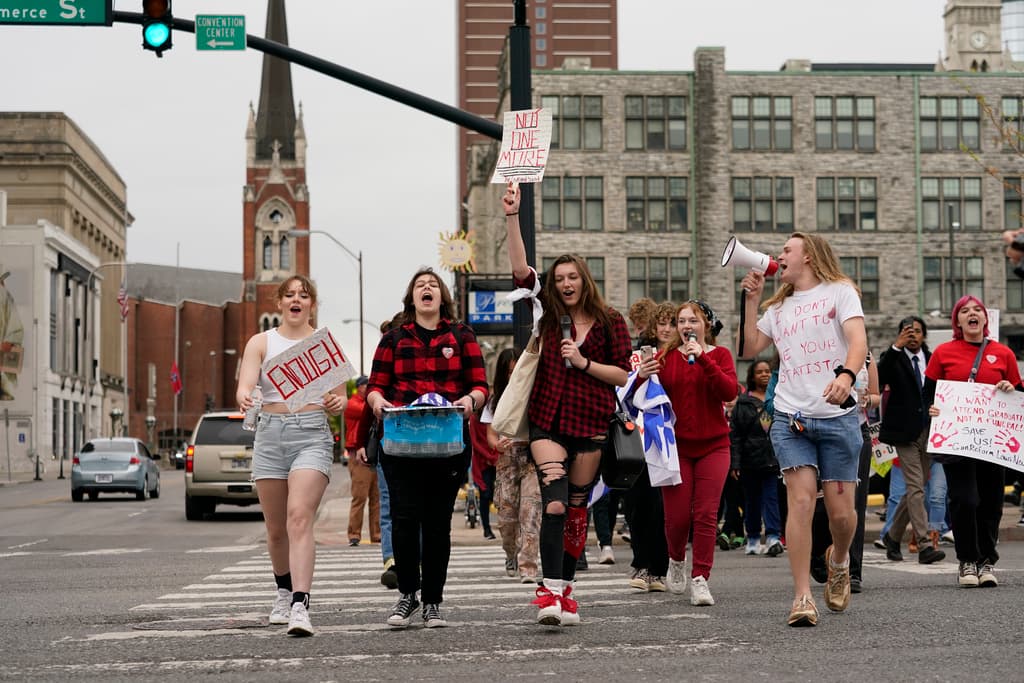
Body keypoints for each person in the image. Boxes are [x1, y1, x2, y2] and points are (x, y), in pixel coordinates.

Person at [503, 182, 632, 626]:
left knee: (578, 510)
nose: (565, 284)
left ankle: (567, 591)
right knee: (554, 503)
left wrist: (583, 361)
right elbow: (521, 268)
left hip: (592, 425)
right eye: (559, 279)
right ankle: (549, 594)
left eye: (572, 277)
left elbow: (622, 374)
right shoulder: (548, 313)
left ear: (585, 280)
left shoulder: (611, 321)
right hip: (548, 422)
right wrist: (511, 215)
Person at [739, 232, 867, 627]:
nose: (778, 257)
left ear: (808, 256)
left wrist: (847, 375)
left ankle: (839, 560)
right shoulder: (779, 308)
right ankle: (802, 596)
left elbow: (858, 340)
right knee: (801, 502)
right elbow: (749, 348)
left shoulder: (840, 291)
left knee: (842, 515)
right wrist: (752, 301)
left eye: (786, 251)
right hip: (791, 418)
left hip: (838, 417)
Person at [363, 268, 488, 629]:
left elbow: (480, 385)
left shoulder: (462, 335)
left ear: (442, 296)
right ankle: (407, 595)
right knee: (403, 520)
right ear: (412, 297)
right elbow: (375, 385)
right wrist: (376, 402)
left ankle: (433, 600)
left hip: (447, 442)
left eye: (432, 284)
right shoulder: (394, 338)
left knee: (437, 524)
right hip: (401, 443)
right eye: (420, 285)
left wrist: (471, 400)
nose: (427, 288)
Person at [234, 275, 348, 637]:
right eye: (290, 294)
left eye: (304, 295)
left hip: (311, 434)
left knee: (299, 517)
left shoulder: (324, 344)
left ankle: (301, 604)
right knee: (276, 528)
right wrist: (244, 395)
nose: (297, 299)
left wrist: (336, 401)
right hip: (270, 435)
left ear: (312, 304)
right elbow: (245, 384)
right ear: (279, 302)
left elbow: (340, 397)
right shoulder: (261, 342)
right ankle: (282, 591)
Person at [637, 300, 738, 606]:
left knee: (706, 515)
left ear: (705, 324)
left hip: (715, 446)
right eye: (681, 322)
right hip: (676, 448)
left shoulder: (719, 355)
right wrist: (642, 375)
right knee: (678, 518)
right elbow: (643, 399)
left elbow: (729, 392)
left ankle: (701, 578)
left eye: (692, 321)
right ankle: (676, 559)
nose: (685, 327)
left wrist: (703, 360)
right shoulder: (665, 356)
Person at [924, 295, 1021, 588]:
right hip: (958, 441)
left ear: (984, 319)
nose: (971, 314)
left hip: (994, 441)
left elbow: (1018, 392)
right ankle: (967, 560)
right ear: (957, 321)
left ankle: (986, 561)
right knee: (965, 500)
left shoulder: (1003, 353)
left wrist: (1008, 387)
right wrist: (933, 408)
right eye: (964, 311)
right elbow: (928, 393)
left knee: (991, 503)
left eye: (976, 310)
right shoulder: (943, 352)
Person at [876, 316, 945, 565]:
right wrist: (896, 347)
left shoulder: (934, 358)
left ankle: (893, 538)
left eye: (917, 331)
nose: (913, 334)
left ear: (924, 335)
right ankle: (924, 544)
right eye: (908, 331)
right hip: (903, 432)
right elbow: (880, 378)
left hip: (929, 430)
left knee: (916, 489)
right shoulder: (893, 357)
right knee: (915, 486)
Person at [624, 301, 674, 592]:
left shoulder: (683, 355)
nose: (666, 329)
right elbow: (625, 390)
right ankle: (642, 564)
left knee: (664, 507)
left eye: (671, 323)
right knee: (638, 503)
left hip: (671, 438)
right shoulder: (639, 355)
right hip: (640, 437)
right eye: (662, 324)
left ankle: (661, 567)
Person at [484, 347, 542, 584]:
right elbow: (490, 432)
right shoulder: (496, 399)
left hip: (532, 456)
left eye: (517, 370)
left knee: (531, 512)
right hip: (507, 459)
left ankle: (528, 565)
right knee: (507, 518)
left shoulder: (536, 394)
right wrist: (497, 445)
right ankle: (511, 553)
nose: (513, 376)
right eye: (509, 371)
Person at [730, 359, 783, 557]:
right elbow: (735, 435)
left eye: (768, 371)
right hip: (749, 461)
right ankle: (752, 538)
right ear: (752, 376)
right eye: (760, 372)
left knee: (771, 499)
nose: (765, 375)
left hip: (771, 459)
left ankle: (772, 537)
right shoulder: (743, 403)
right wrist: (735, 463)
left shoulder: (778, 398)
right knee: (751, 501)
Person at [344, 376, 380, 547]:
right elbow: (368, 411)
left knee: (376, 497)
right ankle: (354, 534)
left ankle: (377, 534)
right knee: (360, 496)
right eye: (364, 385)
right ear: (358, 388)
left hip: (374, 452)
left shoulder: (367, 402)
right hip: (358, 455)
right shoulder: (353, 404)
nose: (367, 388)